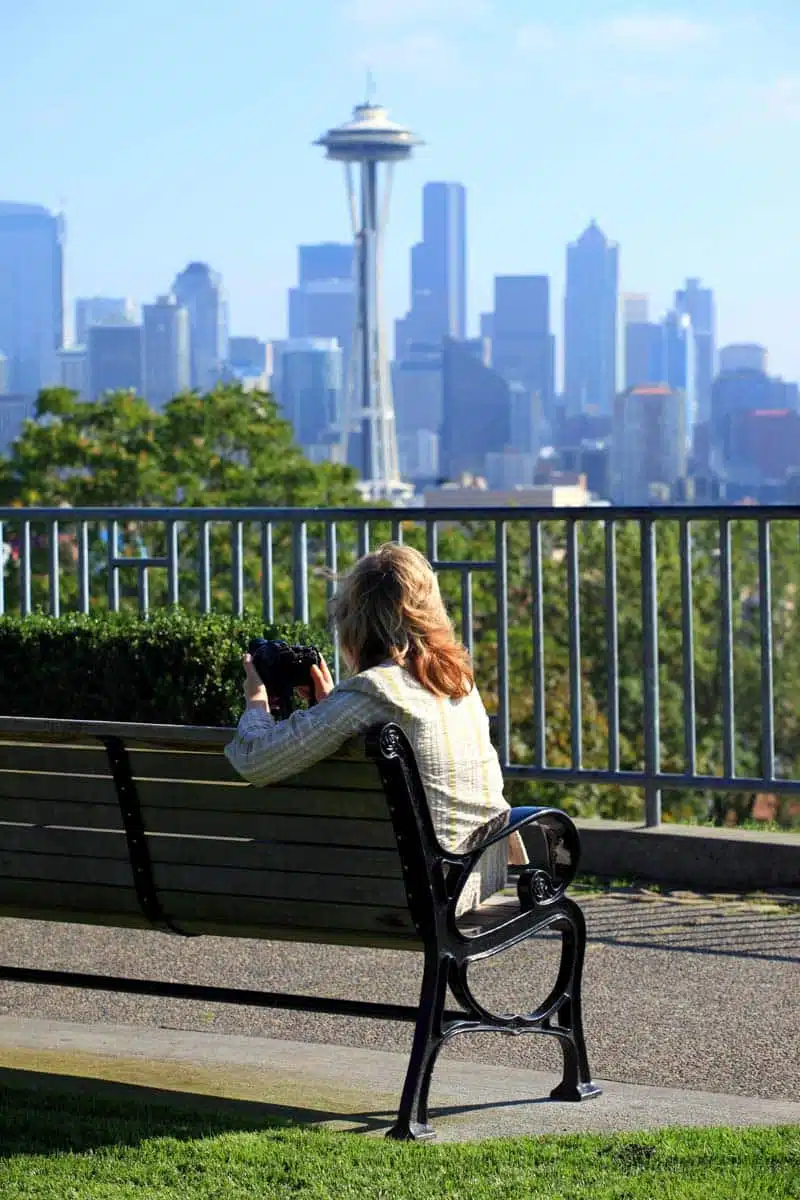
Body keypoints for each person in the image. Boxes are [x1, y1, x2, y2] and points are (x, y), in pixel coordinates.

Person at [224, 543, 525, 872]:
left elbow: (255, 761)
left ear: (356, 622)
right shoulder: (458, 682)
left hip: (414, 891)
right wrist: (331, 705)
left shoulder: (372, 691)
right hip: (478, 873)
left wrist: (256, 702)